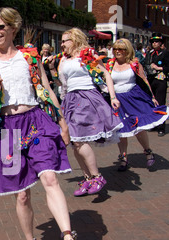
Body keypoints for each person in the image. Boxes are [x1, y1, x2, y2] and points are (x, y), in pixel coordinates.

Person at [0, 7, 89, 240]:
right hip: (8, 130)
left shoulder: (28, 56)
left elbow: (46, 89)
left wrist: (62, 123)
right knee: (23, 195)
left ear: (13, 29)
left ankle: (68, 238)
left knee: (50, 178)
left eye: (1, 27)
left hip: (36, 121)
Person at [51, 27, 123, 196]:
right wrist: (53, 70)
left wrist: (113, 97)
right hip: (70, 99)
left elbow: (105, 74)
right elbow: (62, 84)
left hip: (86, 98)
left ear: (75, 40)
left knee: (79, 140)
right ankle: (88, 178)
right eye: (61, 41)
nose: (61, 44)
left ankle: (97, 176)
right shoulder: (63, 59)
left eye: (64, 41)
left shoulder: (87, 53)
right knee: (74, 143)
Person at [107, 39, 169, 171]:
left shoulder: (134, 64)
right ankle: (123, 158)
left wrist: (152, 97)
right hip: (117, 101)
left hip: (134, 98)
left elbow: (144, 80)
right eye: (115, 49)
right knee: (121, 130)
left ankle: (148, 151)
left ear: (127, 50)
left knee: (139, 127)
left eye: (121, 49)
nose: (117, 51)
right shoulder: (110, 64)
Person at [144, 33, 169, 137]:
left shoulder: (165, 53)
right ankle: (154, 124)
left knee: (160, 102)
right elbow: (145, 64)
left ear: (161, 42)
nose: (154, 43)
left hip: (160, 80)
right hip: (150, 80)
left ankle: (161, 127)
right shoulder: (150, 53)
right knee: (151, 103)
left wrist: (159, 68)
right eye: (153, 42)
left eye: (156, 41)